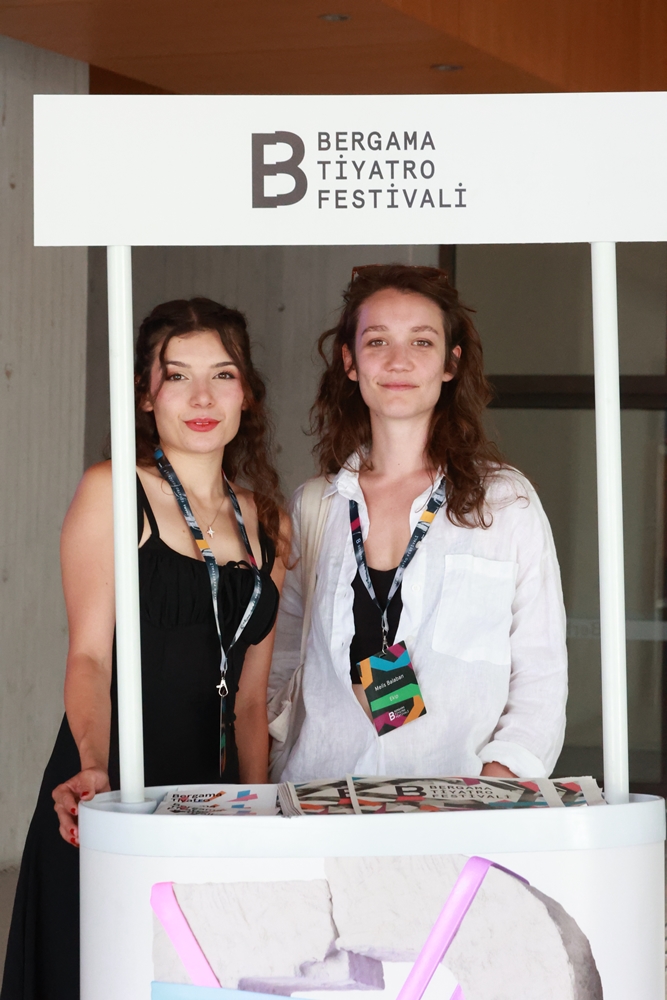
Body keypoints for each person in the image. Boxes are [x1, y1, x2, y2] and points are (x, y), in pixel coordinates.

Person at [2, 298, 288, 1000]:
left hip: (212, 798)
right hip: (119, 784)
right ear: (145, 393)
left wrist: (258, 818)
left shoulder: (269, 522)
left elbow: (252, 701)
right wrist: (93, 766)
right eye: (178, 376)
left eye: (222, 375)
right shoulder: (113, 491)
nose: (202, 398)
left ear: (247, 393)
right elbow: (90, 659)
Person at [269, 264, 567, 782]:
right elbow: (278, 667)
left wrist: (492, 790)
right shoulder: (317, 506)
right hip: (322, 803)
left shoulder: (505, 503)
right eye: (377, 341)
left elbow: (540, 674)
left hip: (456, 809)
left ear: (451, 363)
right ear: (350, 361)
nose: (399, 361)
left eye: (422, 342)